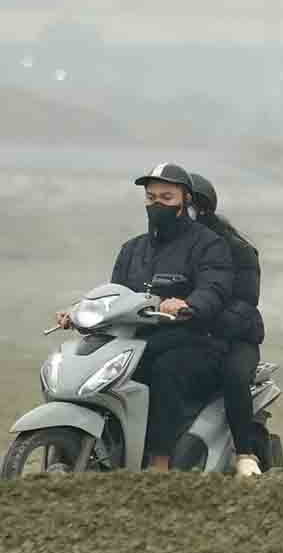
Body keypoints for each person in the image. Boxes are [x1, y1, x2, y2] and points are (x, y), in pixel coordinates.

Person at [53, 163, 233, 470]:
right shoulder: (132, 249)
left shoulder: (208, 245)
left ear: (185, 199)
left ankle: (159, 462)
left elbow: (215, 288)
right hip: (140, 342)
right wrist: (79, 311)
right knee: (94, 367)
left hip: (196, 342)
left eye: (166, 196)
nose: (157, 204)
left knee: (164, 369)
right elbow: (114, 295)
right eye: (151, 198)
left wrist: (188, 304)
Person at [186, 172, 266, 477]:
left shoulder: (238, 250)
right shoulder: (174, 247)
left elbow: (246, 300)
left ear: (201, 209)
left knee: (234, 376)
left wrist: (207, 324)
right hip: (191, 332)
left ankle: (245, 454)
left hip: (237, 337)